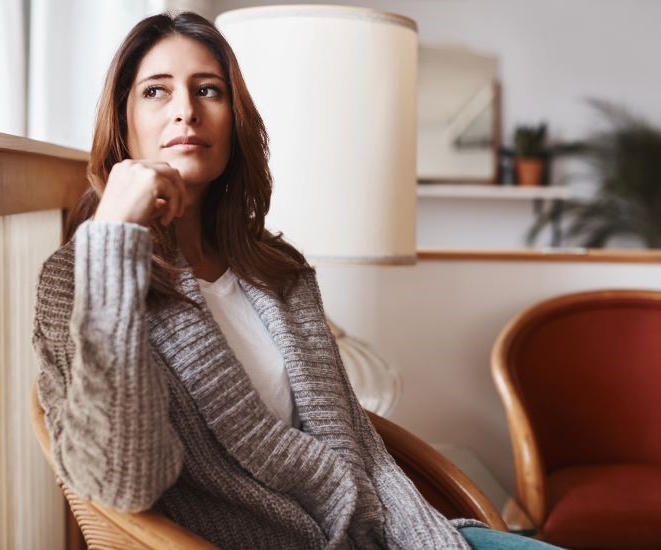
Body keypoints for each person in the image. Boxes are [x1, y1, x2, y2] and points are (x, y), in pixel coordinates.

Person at [32, 11, 564, 550]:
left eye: (208, 90)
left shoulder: (275, 268)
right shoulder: (77, 279)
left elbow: (358, 447)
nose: (185, 112)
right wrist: (115, 239)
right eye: (155, 92)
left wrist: (432, 543)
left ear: (233, 119)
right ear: (122, 123)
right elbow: (124, 478)